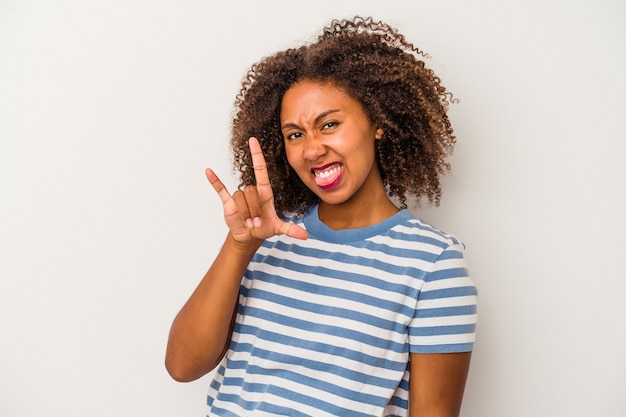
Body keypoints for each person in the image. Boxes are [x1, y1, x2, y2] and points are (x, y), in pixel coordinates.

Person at [165, 16, 478, 417]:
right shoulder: (268, 235)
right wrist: (239, 246)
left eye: (329, 124)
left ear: (377, 123)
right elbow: (182, 365)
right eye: (295, 134)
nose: (311, 150)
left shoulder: (433, 264)